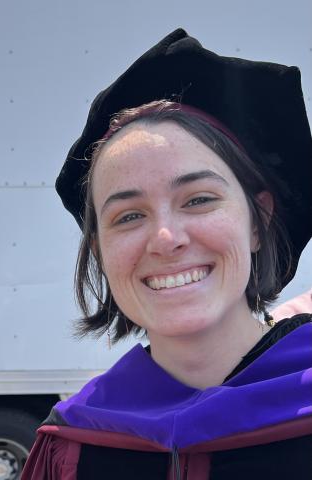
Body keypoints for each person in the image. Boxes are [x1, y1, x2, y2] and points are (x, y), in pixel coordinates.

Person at [22, 29, 312, 479]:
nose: (164, 237)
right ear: (100, 250)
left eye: (198, 199)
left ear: (258, 221)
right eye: (128, 216)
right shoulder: (73, 443)